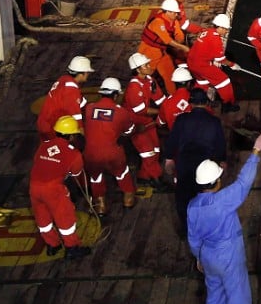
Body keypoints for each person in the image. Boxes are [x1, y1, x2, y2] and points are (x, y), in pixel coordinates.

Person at [188, 130, 261, 304]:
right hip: (229, 257)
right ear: (216, 181)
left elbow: (193, 239)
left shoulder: (192, 207)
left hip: (207, 257)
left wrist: (199, 257)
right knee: (237, 295)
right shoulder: (222, 200)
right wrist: (256, 151)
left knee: (215, 296)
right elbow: (243, 183)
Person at [162, 84, 226, 234]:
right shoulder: (214, 121)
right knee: (205, 197)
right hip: (205, 165)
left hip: (184, 164)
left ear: (190, 103)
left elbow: (173, 140)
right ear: (206, 102)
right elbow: (220, 144)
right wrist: (222, 161)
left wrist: (169, 159)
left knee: (183, 198)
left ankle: (186, 229)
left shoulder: (181, 120)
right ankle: (207, 228)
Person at [29, 115, 91, 259]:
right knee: (65, 217)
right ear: (71, 136)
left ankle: (52, 245)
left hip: (34, 186)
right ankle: (72, 247)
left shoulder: (44, 144)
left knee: (42, 217)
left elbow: (37, 160)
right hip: (53, 189)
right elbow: (76, 172)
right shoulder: (73, 153)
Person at [82, 77, 139, 216]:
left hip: (91, 154)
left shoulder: (89, 109)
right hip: (113, 153)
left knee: (95, 177)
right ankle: (128, 200)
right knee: (122, 173)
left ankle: (100, 206)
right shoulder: (121, 112)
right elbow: (129, 131)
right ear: (116, 95)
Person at [124, 52, 169, 190]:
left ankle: (143, 177)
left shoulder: (150, 81)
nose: (150, 67)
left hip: (149, 123)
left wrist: (170, 107)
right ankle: (157, 180)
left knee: (155, 150)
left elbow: (161, 99)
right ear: (138, 70)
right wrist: (164, 113)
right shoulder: (134, 88)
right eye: (146, 65)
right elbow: (141, 111)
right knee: (148, 153)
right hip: (137, 125)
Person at [187, 13, 242, 113]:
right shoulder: (216, 40)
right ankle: (228, 104)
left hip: (191, 63)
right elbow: (221, 59)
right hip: (202, 65)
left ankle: (193, 102)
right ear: (220, 27)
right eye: (225, 29)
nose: (226, 31)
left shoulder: (207, 31)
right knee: (224, 81)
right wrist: (232, 65)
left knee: (202, 82)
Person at [137, 0, 190, 95]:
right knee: (146, 75)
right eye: (174, 12)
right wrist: (183, 48)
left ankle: (174, 97)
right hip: (148, 52)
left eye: (177, 12)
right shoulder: (158, 22)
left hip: (161, 52)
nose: (176, 14)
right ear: (167, 12)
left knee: (169, 74)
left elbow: (179, 36)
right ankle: (140, 95)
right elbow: (167, 40)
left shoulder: (174, 21)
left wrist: (180, 41)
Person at [36, 55, 92, 141]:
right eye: (87, 72)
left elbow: (79, 101)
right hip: (52, 126)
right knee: (60, 150)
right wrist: (82, 132)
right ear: (81, 73)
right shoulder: (71, 88)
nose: (88, 74)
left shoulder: (64, 80)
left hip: (44, 123)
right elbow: (75, 114)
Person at [156, 66, 195, 131]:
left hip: (176, 138)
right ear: (189, 83)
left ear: (174, 83)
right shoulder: (195, 97)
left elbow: (160, 122)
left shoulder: (166, 102)